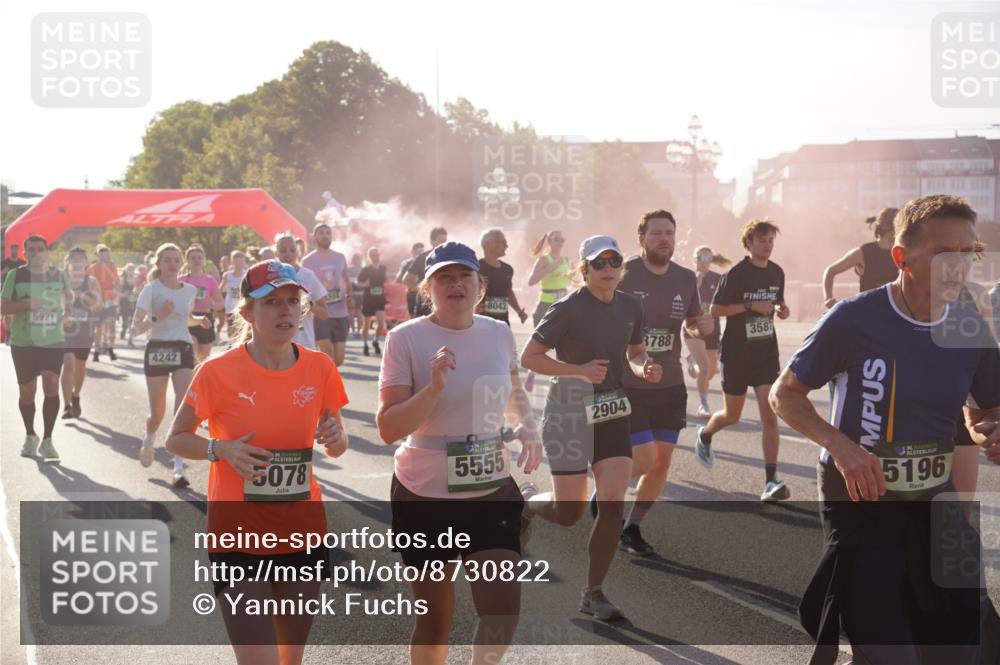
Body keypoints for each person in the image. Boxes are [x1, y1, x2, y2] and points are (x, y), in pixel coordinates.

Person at [770, 194, 1000, 664]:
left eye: (969, 252)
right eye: (944, 252)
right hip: (863, 500)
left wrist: (991, 433)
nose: (958, 266)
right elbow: (785, 395)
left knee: (962, 652)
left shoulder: (969, 326)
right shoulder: (853, 319)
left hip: (936, 502)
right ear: (901, 257)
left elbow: (982, 414)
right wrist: (842, 448)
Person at [166, 259, 348, 665]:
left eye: (292, 301)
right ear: (247, 312)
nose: (285, 310)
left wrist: (337, 439)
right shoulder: (216, 372)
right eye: (271, 302)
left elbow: (337, 443)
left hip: (302, 531)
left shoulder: (320, 367)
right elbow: (175, 438)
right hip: (237, 536)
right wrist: (219, 449)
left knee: (289, 659)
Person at [376, 241, 541, 665]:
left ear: (479, 286)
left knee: (501, 613)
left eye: (464, 275)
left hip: (490, 489)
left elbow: (514, 387)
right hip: (424, 494)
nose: (455, 284)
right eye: (444, 277)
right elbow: (388, 427)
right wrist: (432, 388)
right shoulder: (405, 338)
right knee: (435, 622)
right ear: (427, 288)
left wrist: (528, 426)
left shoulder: (498, 332)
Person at [520, 235, 662, 621]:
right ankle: (527, 503)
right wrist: (578, 371)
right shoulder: (567, 308)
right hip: (567, 412)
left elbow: (636, 352)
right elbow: (530, 357)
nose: (607, 269)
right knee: (569, 512)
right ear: (584, 269)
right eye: (598, 263)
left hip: (611, 410)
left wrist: (644, 367)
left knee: (612, 501)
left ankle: (593, 593)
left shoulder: (630, 306)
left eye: (614, 261)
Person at [610, 211, 712, 555]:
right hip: (628, 383)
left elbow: (692, 322)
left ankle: (631, 527)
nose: (664, 239)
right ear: (641, 239)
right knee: (642, 459)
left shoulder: (684, 278)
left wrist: (701, 326)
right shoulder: (622, 273)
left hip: (669, 384)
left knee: (661, 462)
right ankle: (604, 496)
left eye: (669, 233)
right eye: (656, 233)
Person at [695, 219, 792, 502]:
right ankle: (706, 434)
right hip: (737, 353)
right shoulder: (736, 274)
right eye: (762, 240)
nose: (767, 245)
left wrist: (782, 309)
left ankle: (771, 481)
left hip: (765, 354)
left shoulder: (777, 272)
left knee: (770, 416)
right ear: (749, 243)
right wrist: (750, 305)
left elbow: (777, 303)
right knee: (732, 415)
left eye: (771, 240)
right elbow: (716, 309)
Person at [131, 243, 212, 488]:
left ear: (181, 263)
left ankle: (178, 468)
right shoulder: (150, 289)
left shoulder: (189, 290)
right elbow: (135, 329)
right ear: (159, 264)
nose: (173, 264)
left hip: (182, 348)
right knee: (157, 414)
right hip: (157, 348)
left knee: (182, 406)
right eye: (167, 260)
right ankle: (149, 438)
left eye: (176, 259)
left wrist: (199, 320)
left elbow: (185, 318)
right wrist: (158, 316)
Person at [2, 234, 71, 462]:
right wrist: (25, 304)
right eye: (30, 249)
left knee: (51, 384)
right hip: (24, 342)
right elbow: (3, 307)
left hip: (53, 341)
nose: (35, 253)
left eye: (39, 249)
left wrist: (68, 315)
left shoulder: (59, 275)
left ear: (46, 252)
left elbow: (69, 300)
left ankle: (48, 440)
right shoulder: (15, 275)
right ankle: (30, 435)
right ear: (25, 253)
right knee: (27, 391)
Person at [683, 245, 730, 417]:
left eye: (708, 258)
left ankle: (692, 361)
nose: (704, 262)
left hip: (712, 328)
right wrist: (695, 285)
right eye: (700, 258)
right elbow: (680, 304)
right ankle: (703, 404)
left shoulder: (718, 279)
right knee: (704, 368)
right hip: (693, 328)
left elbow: (727, 302)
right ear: (694, 260)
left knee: (709, 372)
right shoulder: (686, 278)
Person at [821, 208, 899, 309]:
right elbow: (830, 271)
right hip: (868, 313)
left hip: (893, 313)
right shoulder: (863, 252)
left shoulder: (904, 252)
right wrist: (828, 298)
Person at [523, 230, 571, 392]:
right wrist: (550, 268)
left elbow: (573, 280)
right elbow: (531, 281)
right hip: (545, 305)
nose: (560, 242)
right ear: (549, 241)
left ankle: (561, 378)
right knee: (538, 345)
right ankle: (531, 372)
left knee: (564, 344)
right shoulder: (544, 260)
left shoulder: (566, 260)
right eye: (557, 239)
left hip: (563, 305)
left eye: (562, 239)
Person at [302, 222, 352, 366]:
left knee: (339, 360)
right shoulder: (307, 261)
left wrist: (349, 296)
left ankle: (324, 375)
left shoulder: (340, 257)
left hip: (340, 312)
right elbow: (303, 287)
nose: (325, 236)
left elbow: (346, 279)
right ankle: (326, 379)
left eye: (328, 233)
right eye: (321, 233)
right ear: (315, 237)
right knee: (327, 356)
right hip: (320, 314)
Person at [61, 248, 102, 420]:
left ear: (86, 262)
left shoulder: (91, 281)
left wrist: (82, 296)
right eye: (74, 258)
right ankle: (66, 406)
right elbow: (53, 303)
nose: (77, 261)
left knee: (79, 365)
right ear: (68, 261)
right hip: (66, 328)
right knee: (68, 365)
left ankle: (76, 395)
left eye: (81, 258)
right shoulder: (61, 280)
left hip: (85, 328)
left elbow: (98, 305)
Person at [273, 232, 330, 350]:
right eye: (283, 250)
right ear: (276, 253)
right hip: (277, 345)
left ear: (298, 252)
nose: (288, 254)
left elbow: (324, 314)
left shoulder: (308, 275)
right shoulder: (270, 276)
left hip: (304, 344)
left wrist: (306, 303)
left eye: (292, 250)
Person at [179, 244, 225, 365]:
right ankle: (190, 373)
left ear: (204, 261)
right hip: (187, 319)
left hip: (205, 319)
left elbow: (220, 303)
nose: (196, 260)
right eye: (193, 258)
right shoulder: (181, 280)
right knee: (192, 354)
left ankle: (199, 375)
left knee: (203, 359)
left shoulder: (210, 280)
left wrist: (211, 305)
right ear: (187, 261)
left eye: (199, 257)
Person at [477, 228, 528, 326]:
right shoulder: (476, 268)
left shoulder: (508, 269)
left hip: (503, 323)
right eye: (503, 242)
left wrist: (519, 311)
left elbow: (508, 292)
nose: (506, 246)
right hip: (481, 323)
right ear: (489, 244)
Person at [404, 227, 448, 318]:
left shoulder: (450, 259)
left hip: (444, 305)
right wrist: (422, 289)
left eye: (445, 241)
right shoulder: (423, 258)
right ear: (432, 241)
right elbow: (406, 280)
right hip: (425, 306)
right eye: (440, 241)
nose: (443, 244)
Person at [88, 244, 120, 361]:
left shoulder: (112, 266)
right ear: (97, 255)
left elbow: (117, 282)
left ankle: (111, 349)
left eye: (106, 253)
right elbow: (88, 284)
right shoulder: (92, 267)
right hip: (98, 301)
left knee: (112, 326)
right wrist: (92, 300)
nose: (103, 255)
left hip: (110, 300)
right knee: (99, 327)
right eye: (101, 253)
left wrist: (117, 297)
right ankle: (96, 351)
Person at [357, 246, 387, 356]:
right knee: (366, 325)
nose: (376, 257)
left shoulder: (383, 268)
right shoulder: (365, 270)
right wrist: (365, 284)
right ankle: (365, 345)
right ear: (370, 257)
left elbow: (385, 281)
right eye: (373, 255)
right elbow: (358, 283)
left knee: (381, 323)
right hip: (368, 300)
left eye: (377, 254)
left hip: (380, 299)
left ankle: (375, 340)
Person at [220, 250, 248, 340]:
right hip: (230, 304)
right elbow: (220, 289)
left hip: (243, 304)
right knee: (231, 325)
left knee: (242, 326)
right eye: (237, 262)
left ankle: (240, 342)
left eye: (241, 261)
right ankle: (231, 342)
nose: (239, 264)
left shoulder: (246, 274)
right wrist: (218, 300)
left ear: (244, 262)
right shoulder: (227, 275)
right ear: (232, 262)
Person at [396, 243, 424, 326]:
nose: (420, 254)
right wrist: (412, 285)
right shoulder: (408, 263)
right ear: (412, 252)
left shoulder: (428, 259)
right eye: (418, 251)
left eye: (421, 251)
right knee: (415, 320)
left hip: (425, 294)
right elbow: (399, 279)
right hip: (413, 294)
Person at [118, 263, 139, 348]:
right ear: (125, 270)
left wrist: (136, 292)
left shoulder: (136, 279)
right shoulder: (122, 279)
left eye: (132, 269)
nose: (131, 271)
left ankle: (130, 339)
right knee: (125, 319)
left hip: (133, 301)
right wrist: (123, 294)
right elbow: (117, 291)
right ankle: (124, 329)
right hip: (124, 302)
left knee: (132, 320)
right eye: (129, 269)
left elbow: (138, 290)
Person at [348, 252, 366, 337]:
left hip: (352, 293)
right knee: (359, 313)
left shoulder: (349, 270)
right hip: (361, 294)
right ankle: (358, 331)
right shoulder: (363, 270)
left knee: (351, 312)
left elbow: (347, 282)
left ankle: (353, 331)